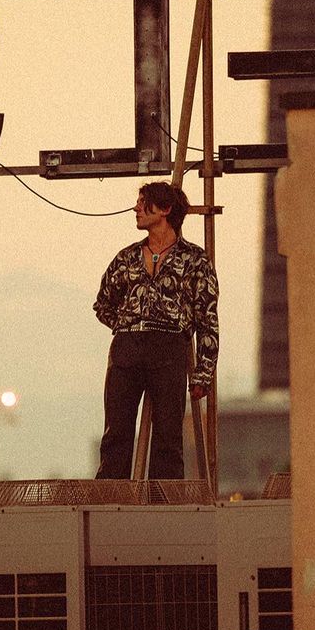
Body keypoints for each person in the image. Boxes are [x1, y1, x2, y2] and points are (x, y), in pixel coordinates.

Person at [93, 182, 219, 479]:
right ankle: (111, 499)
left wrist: (203, 373)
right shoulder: (126, 257)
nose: (136, 208)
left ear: (165, 209)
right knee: (116, 433)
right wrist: (127, 325)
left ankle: (164, 501)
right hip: (127, 349)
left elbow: (207, 318)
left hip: (169, 347)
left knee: (168, 436)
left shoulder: (195, 260)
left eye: (143, 202)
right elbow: (103, 303)